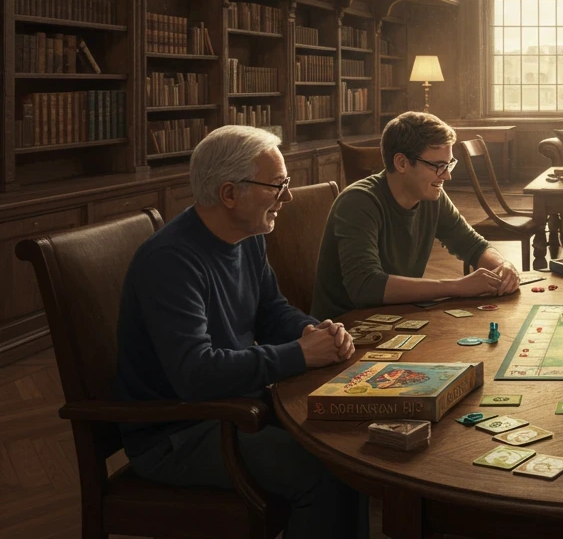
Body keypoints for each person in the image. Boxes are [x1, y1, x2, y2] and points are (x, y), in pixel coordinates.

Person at [114, 125, 364, 539]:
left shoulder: (246, 236)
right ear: (230, 194)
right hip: (178, 432)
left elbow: (270, 311)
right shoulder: (170, 262)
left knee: (351, 447)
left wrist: (314, 331)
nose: (286, 197)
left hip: (237, 407)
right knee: (327, 471)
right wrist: (301, 354)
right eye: (277, 186)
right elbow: (195, 374)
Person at [311, 112, 521, 321]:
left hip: (396, 317)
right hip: (345, 330)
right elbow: (366, 287)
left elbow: (473, 245)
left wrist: (503, 266)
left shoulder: (432, 196)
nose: (447, 175)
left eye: (449, 164)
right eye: (438, 166)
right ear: (402, 163)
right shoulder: (358, 201)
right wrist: (457, 286)